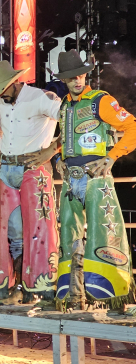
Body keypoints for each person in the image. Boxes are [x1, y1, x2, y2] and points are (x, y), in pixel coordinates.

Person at [54, 50, 136, 310]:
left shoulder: (100, 101)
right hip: (71, 179)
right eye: (71, 78)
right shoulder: (64, 105)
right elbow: (66, 139)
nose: (77, 80)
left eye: (80, 75)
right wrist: (59, 159)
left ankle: (112, 298)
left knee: (104, 234)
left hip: (95, 178)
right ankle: (74, 296)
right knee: (69, 237)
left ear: (86, 75)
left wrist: (112, 156)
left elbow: (132, 126)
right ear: (64, 80)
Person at [0, 61, 60, 303]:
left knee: (38, 227)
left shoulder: (41, 97)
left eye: (1, 89)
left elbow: (72, 121)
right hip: (8, 168)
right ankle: (20, 283)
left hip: (33, 166)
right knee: (13, 230)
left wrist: (52, 149)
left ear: (14, 82)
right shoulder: (3, 102)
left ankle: (40, 285)